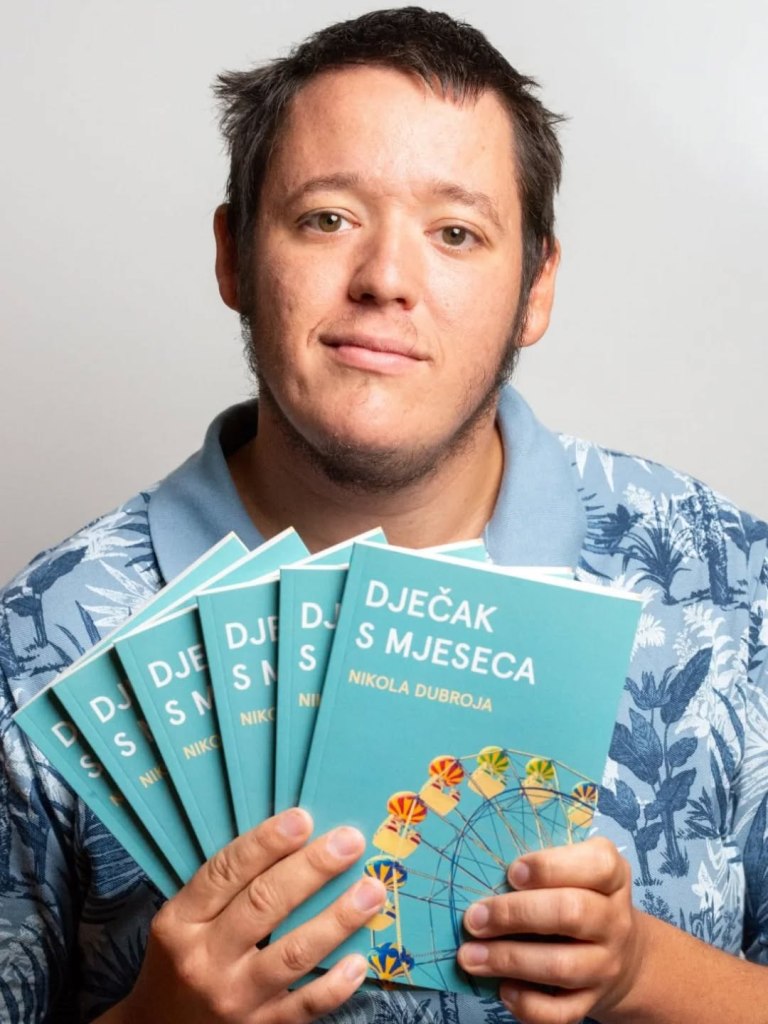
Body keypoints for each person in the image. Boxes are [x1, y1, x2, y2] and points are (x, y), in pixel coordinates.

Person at [1, 7, 766, 1023]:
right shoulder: (40, 644)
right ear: (233, 255)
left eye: (456, 233)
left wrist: (643, 973)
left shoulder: (725, 579)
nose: (386, 281)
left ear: (536, 286)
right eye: (327, 219)